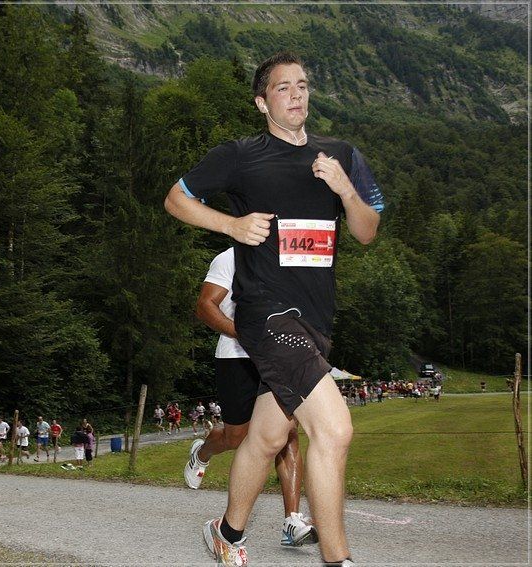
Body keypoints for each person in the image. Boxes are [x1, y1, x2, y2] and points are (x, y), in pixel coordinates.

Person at [164, 51, 383, 567]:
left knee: (267, 435)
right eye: (283, 88)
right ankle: (338, 559)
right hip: (265, 314)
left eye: (302, 85)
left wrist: (345, 189)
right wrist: (231, 225)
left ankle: (226, 532)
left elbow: (367, 231)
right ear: (263, 103)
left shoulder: (341, 155)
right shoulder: (242, 156)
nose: (296, 95)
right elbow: (176, 199)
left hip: (316, 320)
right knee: (334, 429)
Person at [185, 248, 318, 549]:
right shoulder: (230, 258)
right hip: (237, 357)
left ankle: (292, 521)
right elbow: (205, 306)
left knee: (287, 432)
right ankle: (203, 451)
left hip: (277, 357)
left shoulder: (287, 259)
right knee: (236, 437)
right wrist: (242, 332)